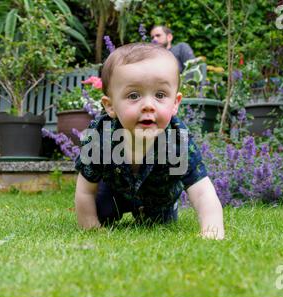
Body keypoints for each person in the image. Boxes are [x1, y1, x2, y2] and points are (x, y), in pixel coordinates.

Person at [74, 43, 224, 239]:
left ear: (175, 103)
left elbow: (202, 191)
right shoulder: (100, 137)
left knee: (159, 222)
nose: (148, 106)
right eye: (133, 95)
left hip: (159, 198)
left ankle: (159, 212)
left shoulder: (175, 141)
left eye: (160, 95)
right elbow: (85, 190)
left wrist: (212, 231)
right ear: (110, 106)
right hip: (114, 191)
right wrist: (90, 226)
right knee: (102, 209)